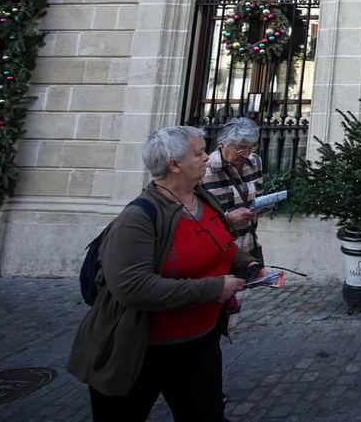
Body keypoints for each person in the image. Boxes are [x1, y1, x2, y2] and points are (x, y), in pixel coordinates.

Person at [69, 126, 261, 422]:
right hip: (140, 349)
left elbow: (218, 240)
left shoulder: (200, 198)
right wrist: (212, 289)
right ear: (174, 165)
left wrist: (246, 264)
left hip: (199, 343)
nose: (207, 159)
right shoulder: (139, 217)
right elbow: (133, 287)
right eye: (198, 154)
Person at [202, 118, 264, 265]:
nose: (246, 154)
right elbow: (196, 217)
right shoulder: (204, 170)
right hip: (219, 252)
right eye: (241, 148)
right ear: (223, 144)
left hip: (249, 248)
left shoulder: (255, 162)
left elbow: (258, 197)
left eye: (251, 148)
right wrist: (226, 217)